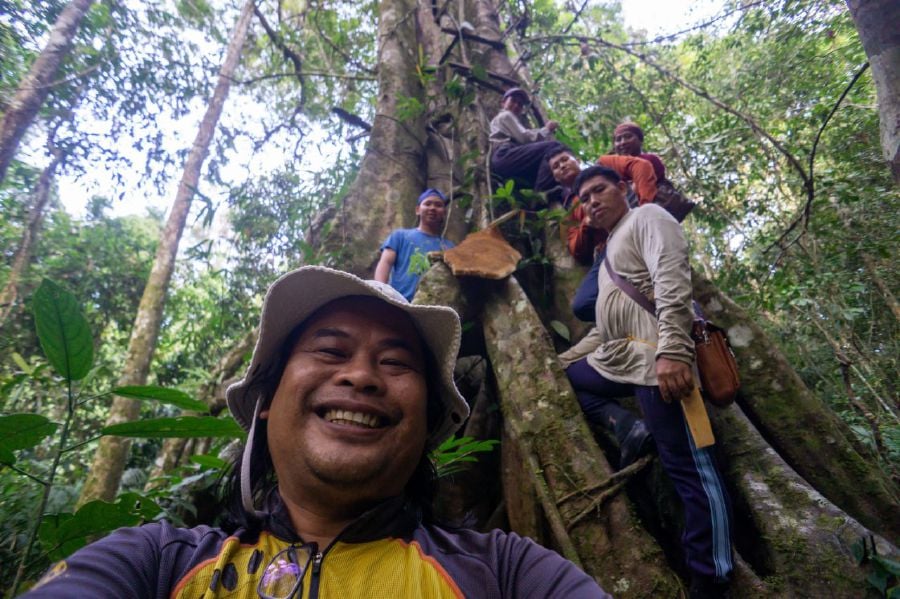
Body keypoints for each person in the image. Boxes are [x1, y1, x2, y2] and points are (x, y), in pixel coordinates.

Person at [23, 266, 610, 598]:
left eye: (397, 363)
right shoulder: (155, 564)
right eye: (329, 351)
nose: (360, 376)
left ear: (428, 425)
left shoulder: (506, 574)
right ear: (265, 405)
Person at [558, 166, 733, 599]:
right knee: (566, 383)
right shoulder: (606, 256)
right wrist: (559, 362)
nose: (592, 201)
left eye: (600, 190)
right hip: (620, 357)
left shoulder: (647, 217)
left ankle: (712, 578)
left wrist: (673, 350)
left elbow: (672, 279)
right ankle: (628, 426)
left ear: (623, 188)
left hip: (659, 360)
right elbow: (605, 328)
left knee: (689, 470)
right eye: (585, 198)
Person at [374, 188, 455, 301]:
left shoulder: (449, 247)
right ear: (418, 210)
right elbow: (386, 263)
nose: (432, 208)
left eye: (438, 205)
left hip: (432, 305)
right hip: (399, 302)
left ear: (444, 213)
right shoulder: (400, 236)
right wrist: (380, 293)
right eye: (427, 204)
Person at [489, 87, 567, 194]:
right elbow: (525, 138)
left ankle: (540, 198)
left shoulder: (504, 120)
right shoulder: (506, 115)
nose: (516, 105)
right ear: (503, 103)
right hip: (505, 155)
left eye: (520, 104)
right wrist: (546, 129)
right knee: (554, 147)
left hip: (507, 163)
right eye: (513, 101)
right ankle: (542, 192)